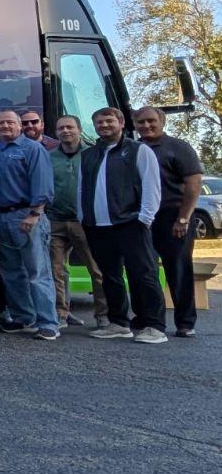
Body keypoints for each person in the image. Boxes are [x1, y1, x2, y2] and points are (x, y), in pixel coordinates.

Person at [80, 107, 167, 344]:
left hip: (131, 223)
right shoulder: (89, 154)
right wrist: (82, 216)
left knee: (144, 274)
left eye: (109, 121)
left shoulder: (139, 150)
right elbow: (82, 187)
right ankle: (119, 323)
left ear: (120, 123)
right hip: (98, 226)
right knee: (110, 276)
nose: (104, 126)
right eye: (99, 122)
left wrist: (145, 218)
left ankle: (155, 326)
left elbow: (151, 186)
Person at [0, 110, 59, 340]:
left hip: (27, 215)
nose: (5, 125)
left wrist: (35, 213)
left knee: (37, 272)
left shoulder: (32, 149)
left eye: (10, 122)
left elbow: (43, 183)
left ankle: (48, 322)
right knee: (10, 272)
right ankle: (22, 317)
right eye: (1, 122)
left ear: (19, 125)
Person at [136, 106, 204, 337]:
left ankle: (185, 322)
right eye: (140, 122)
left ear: (161, 121)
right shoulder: (134, 148)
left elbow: (193, 184)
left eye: (150, 121)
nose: (146, 126)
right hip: (143, 218)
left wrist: (183, 218)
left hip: (173, 216)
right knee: (144, 270)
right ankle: (147, 318)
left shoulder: (178, 147)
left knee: (178, 270)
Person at [47, 116, 108, 330]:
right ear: (56, 132)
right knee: (56, 271)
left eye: (70, 127)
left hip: (85, 222)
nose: (65, 131)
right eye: (61, 128)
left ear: (79, 130)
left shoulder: (93, 154)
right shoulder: (49, 157)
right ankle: (60, 313)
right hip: (55, 221)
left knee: (96, 270)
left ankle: (103, 316)